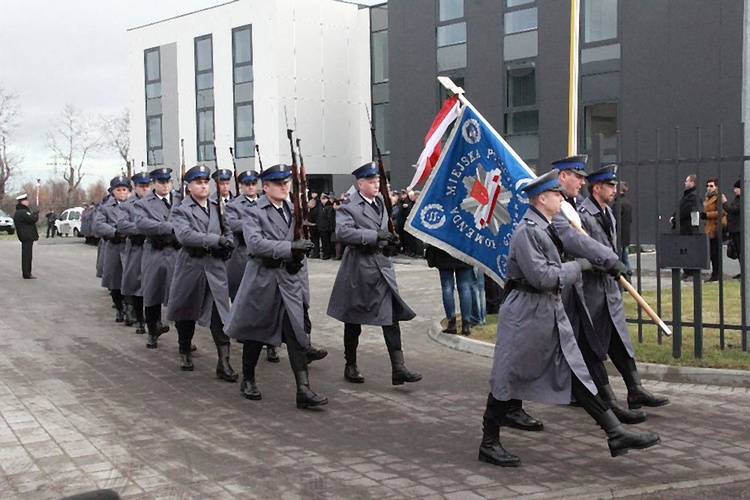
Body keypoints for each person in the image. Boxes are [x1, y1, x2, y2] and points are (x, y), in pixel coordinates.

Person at [479, 169, 660, 468]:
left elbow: (564, 255)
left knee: (576, 372)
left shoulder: (547, 226)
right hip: (526, 313)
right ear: (541, 198)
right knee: (507, 375)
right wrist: (578, 267)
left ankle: (615, 433)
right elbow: (542, 277)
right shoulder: (528, 231)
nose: (561, 198)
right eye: (556, 194)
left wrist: (593, 261)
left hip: (546, 310)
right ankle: (488, 442)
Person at [224, 164, 328, 409]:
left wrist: (301, 248)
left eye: (286, 183)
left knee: (296, 334)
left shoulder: (293, 209)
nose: (284, 187)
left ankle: (303, 389)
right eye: (278, 183)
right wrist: (290, 249)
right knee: (255, 334)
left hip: (289, 280)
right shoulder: (254, 211)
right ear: (266, 187)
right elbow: (255, 244)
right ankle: (247, 378)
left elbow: (299, 237)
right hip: (263, 279)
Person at [578, 165, 669, 413]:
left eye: (615, 185)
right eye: (610, 185)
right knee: (593, 344)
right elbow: (581, 252)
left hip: (610, 288)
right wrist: (606, 265)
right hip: (591, 290)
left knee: (619, 338)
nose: (615, 189)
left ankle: (635, 389)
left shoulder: (609, 212)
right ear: (596, 187)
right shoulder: (582, 216)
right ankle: (599, 398)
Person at [327, 162, 422, 385]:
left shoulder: (381, 201)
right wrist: (374, 235)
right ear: (360, 184)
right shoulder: (349, 205)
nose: (376, 184)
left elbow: (386, 227)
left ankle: (398, 367)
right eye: (371, 181)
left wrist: (389, 239)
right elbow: (342, 232)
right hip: (358, 268)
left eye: (378, 180)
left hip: (382, 266)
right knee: (353, 319)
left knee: (390, 318)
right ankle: (350, 364)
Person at [167, 165, 237, 380]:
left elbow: (228, 229)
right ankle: (185, 349)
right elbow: (185, 236)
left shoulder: (217, 206)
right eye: (198, 182)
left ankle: (224, 362)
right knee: (186, 313)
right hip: (192, 266)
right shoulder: (181, 210)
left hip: (215, 268)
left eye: (206, 182)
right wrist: (216, 240)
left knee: (221, 316)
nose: (204, 186)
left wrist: (229, 244)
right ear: (189, 187)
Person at [134, 167, 180, 349]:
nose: (165, 185)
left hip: (176, 251)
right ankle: (152, 330)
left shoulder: (180, 199)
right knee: (153, 292)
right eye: (161, 182)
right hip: (155, 251)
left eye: (168, 181)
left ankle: (184, 338)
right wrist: (167, 227)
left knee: (179, 294)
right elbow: (141, 223)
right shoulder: (144, 203)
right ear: (154, 183)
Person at [118, 172, 152, 334]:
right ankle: (140, 320)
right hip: (138, 247)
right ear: (135, 187)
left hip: (156, 248)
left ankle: (154, 322)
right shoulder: (126, 205)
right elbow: (122, 225)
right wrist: (145, 228)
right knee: (138, 287)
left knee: (155, 286)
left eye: (147, 185)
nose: (145, 189)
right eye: (141, 186)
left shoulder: (156, 201)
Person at [95, 177, 132, 322]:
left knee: (130, 279)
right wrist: (114, 232)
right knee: (114, 280)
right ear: (113, 192)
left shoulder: (135, 206)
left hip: (129, 246)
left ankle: (130, 309)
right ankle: (119, 307)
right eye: (118, 190)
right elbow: (98, 224)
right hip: (113, 246)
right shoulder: (105, 208)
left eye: (124, 190)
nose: (122, 193)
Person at [425, 244, 474, 335]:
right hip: (464, 249)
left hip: (443, 249)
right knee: (465, 287)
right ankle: (466, 324)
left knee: (447, 287)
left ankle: (451, 323)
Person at [670, 174, 701, 281]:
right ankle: (687, 271)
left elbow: (685, 210)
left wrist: (675, 218)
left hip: (687, 228)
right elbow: (680, 208)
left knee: (688, 249)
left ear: (692, 183)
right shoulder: (687, 195)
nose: (685, 183)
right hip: (684, 227)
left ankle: (690, 271)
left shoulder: (692, 196)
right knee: (683, 249)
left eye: (687, 181)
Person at [702, 177, 726, 282]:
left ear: (716, 187)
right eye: (707, 186)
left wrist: (707, 215)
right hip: (709, 227)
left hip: (716, 227)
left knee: (715, 252)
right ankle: (715, 272)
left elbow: (722, 211)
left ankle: (717, 273)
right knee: (711, 252)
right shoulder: (707, 198)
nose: (709, 188)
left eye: (711, 186)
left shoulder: (718, 198)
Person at [13, 193, 39, 279]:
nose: (27, 202)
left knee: (26, 254)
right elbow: (32, 219)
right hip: (26, 236)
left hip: (24, 236)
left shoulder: (19, 212)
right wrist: (35, 214)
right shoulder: (22, 212)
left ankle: (27, 272)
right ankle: (27, 273)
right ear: (22, 202)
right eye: (26, 200)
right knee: (27, 255)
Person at [722, 179, 742, 279]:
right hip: (734, 229)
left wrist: (725, 202)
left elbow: (732, 210)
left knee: (741, 251)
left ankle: (745, 271)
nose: (734, 190)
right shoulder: (737, 199)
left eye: (736, 188)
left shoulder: (742, 200)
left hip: (739, 230)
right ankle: (743, 271)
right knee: (738, 252)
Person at [618, 181, 633, 276]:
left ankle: (626, 280)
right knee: (625, 258)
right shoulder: (628, 203)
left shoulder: (618, 204)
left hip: (620, 235)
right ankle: (628, 278)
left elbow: (615, 221)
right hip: (626, 234)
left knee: (621, 259)